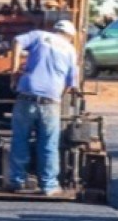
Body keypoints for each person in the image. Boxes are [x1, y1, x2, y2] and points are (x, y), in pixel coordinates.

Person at [7, 18, 81, 194]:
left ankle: (17, 182)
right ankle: (48, 186)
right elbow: (71, 82)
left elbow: (17, 41)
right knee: (48, 143)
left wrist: (15, 69)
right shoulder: (71, 50)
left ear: (55, 30)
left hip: (27, 95)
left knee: (19, 139)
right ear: (71, 36)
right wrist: (59, 97)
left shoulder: (40, 36)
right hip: (50, 101)